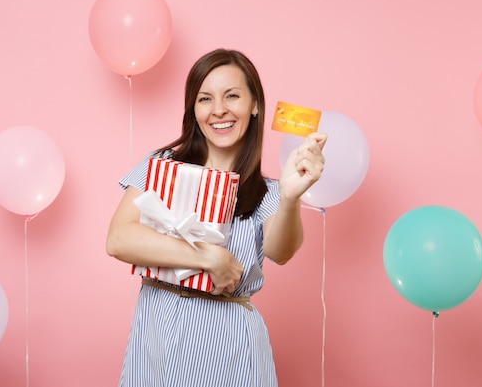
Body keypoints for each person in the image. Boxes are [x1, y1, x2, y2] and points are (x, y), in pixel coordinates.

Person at [106, 48, 326, 387]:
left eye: (232, 95)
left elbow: (281, 251)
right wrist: (209, 257)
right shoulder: (162, 166)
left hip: (230, 349)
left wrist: (291, 197)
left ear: (255, 105)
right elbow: (119, 239)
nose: (219, 110)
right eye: (205, 99)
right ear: (193, 110)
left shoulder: (268, 191)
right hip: (155, 337)